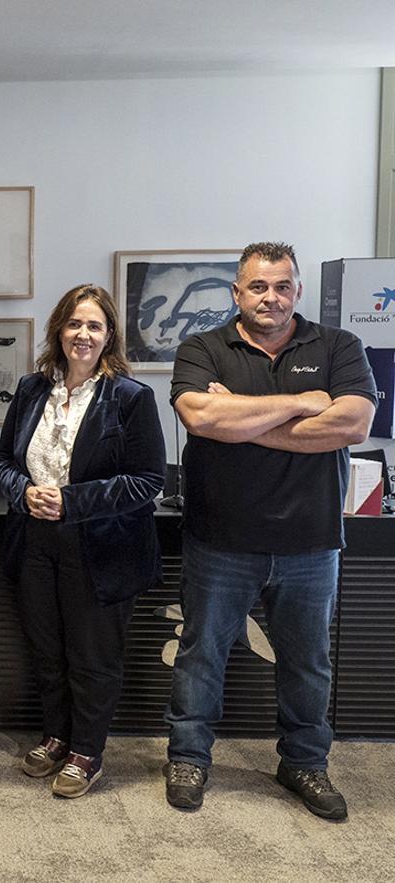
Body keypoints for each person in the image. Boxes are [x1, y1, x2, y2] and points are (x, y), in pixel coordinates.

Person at [163, 242, 376, 820]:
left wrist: (245, 421)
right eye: (258, 286)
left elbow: (353, 423)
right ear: (237, 292)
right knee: (201, 654)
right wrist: (304, 404)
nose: (270, 297)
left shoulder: (339, 346)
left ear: (298, 292)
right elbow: (202, 417)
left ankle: (304, 763)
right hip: (219, 540)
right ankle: (188, 757)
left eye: (282, 286)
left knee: (308, 662)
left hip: (311, 542)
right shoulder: (203, 347)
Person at [0, 283, 164, 798]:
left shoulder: (131, 397)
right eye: (74, 324)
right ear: (58, 331)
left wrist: (72, 501)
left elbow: (147, 480)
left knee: (93, 655)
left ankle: (87, 750)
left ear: (109, 334)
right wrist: (24, 494)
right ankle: (57, 735)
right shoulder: (29, 390)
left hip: (101, 548)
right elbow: (1, 463)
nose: (82, 334)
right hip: (35, 542)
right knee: (47, 650)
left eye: (94, 325)